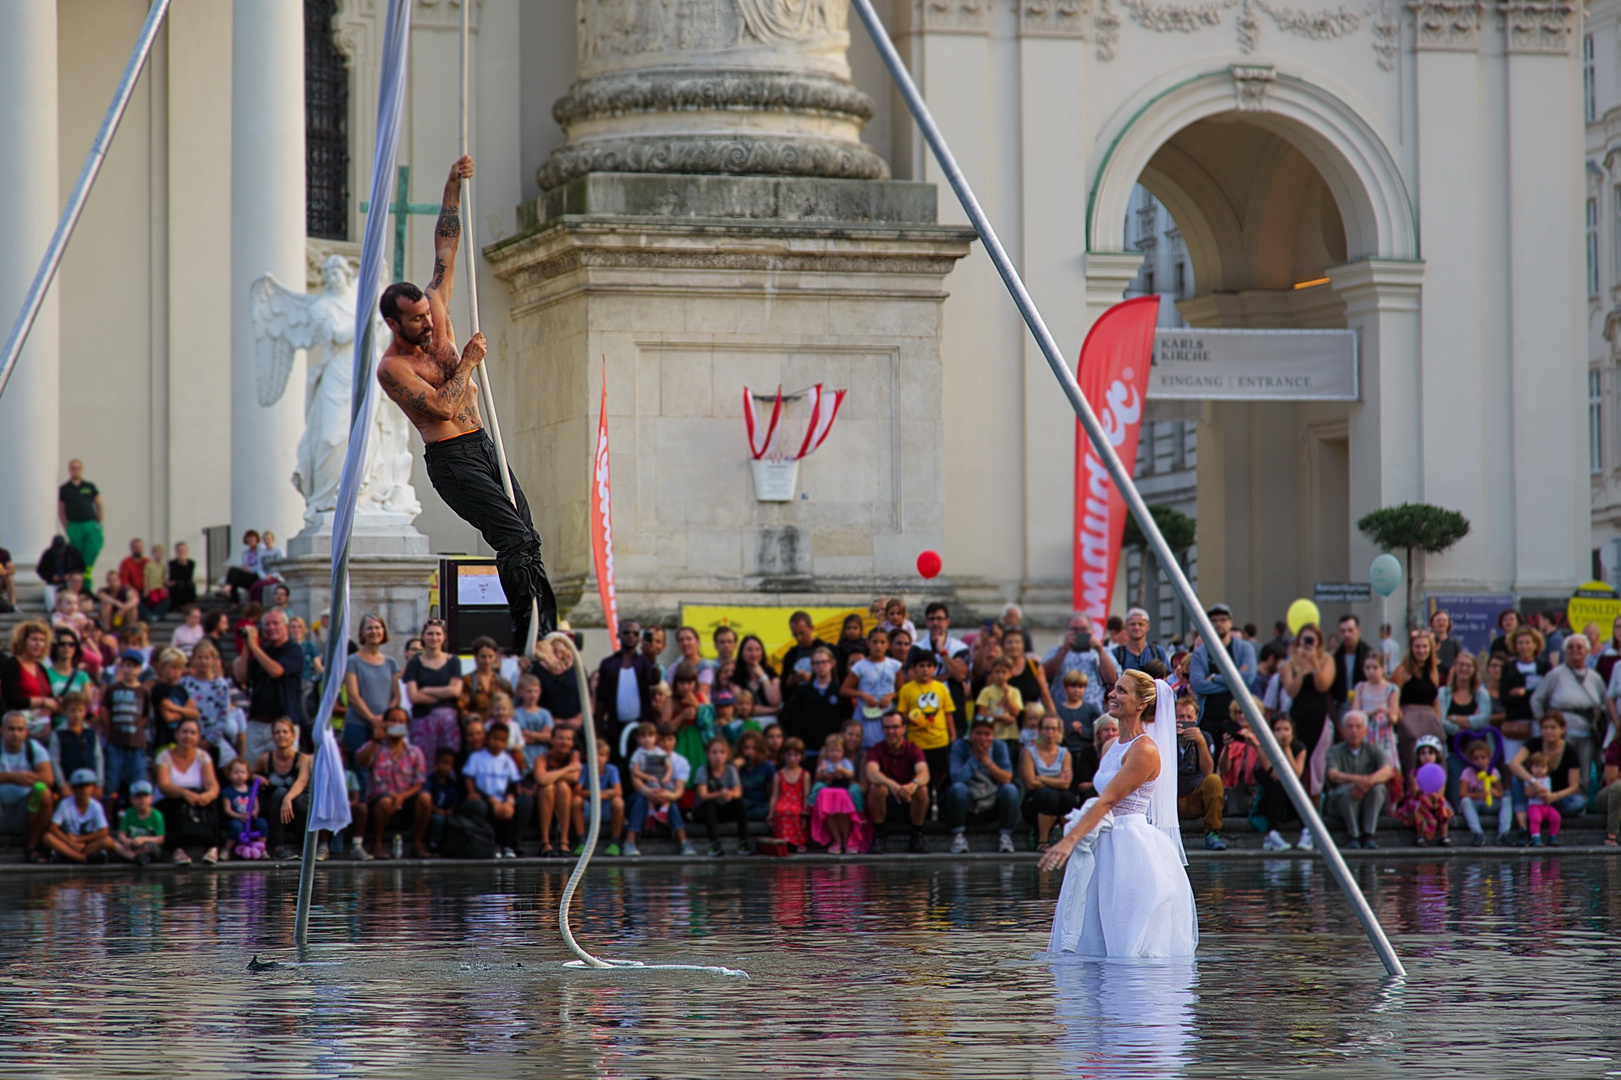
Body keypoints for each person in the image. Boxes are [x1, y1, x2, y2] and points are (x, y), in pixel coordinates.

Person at [375, 158, 556, 653]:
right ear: (395, 324)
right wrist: (470, 362)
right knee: (512, 542)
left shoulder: (435, 305)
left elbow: (446, 247)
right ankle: (530, 639)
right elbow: (437, 407)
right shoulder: (393, 369)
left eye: (426, 314)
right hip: (453, 462)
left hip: (482, 444)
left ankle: (549, 629)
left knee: (530, 537)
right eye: (415, 321)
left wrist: (453, 184)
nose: (429, 324)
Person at [1039, 670, 1196, 958]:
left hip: (1130, 848)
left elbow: (1109, 800)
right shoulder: (1111, 745)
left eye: (1122, 691)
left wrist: (1069, 839)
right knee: (1093, 932)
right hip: (1101, 843)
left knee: (1126, 938)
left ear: (1140, 705)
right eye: (1114, 689)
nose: (1113, 694)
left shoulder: (1145, 750)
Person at [1529, 632, 1605, 790]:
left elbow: (1604, 702)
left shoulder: (1595, 678)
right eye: (1570, 647)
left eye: (1579, 647)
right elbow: (1536, 700)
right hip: (1562, 734)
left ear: (1587, 651)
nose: (1575, 650)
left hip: (1587, 734)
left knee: (1584, 772)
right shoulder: (1555, 674)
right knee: (1562, 772)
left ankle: (1581, 806)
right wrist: (1545, 724)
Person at [234, 610, 305, 762]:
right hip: (258, 722)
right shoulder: (263, 650)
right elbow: (241, 676)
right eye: (267, 624)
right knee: (252, 770)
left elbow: (276, 671)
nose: (271, 627)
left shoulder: (293, 649)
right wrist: (247, 646)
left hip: (284, 723)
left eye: (275, 623)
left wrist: (255, 647)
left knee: (284, 771)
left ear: (286, 627)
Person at [357, 707, 427, 858]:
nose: (397, 724)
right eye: (393, 720)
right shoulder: (376, 747)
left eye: (401, 721)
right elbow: (360, 760)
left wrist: (403, 796)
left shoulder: (414, 752)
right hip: (379, 803)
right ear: (385, 723)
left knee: (425, 798)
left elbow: (420, 782)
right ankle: (376, 844)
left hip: (405, 801)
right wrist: (376, 739)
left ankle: (417, 844)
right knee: (385, 802)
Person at [944, 718, 1019, 854]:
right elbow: (956, 777)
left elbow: (1007, 777)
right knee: (957, 789)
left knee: (1010, 790)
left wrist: (986, 759)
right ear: (970, 735)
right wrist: (974, 758)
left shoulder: (999, 746)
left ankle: (1005, 836)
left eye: (987, 734)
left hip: (993, 797)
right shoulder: (960, 746)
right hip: (968, 799)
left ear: (993, 736)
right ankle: (958, 836)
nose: (982, 738)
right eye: (978, 733)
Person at [1187, 603, 1256, 751]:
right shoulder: (1200, 653)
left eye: (1223, 620)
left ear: (1230, 622)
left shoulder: (1244, 648)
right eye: (1214, 620)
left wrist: (1213, 678)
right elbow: (1198, 685)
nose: (1219, 624)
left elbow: (1248, 678)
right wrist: (1235, 678)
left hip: (1238, 719)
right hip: (1209, 719)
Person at [1322, 710, 1394, 849]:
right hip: (1340, 802)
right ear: (1343, 730)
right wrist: (1357, 780)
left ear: (1366, 730)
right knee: (1345, 791)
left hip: (1365, 798)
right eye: (1350, 727)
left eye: (1358, 726)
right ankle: (1353, 835)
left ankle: (1368, 834)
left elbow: (1387, 771)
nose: (1354, 731)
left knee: (1378, 788)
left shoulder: (1374, 749)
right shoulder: (1334, 751)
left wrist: (1367, 782)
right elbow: (1333, 774)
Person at [155, 717, 221, 864]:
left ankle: (212, 847)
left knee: (214, 802)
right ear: (176, 734)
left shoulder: (203, 756)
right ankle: (176, 850)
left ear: (198, 737)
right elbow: (164, 785)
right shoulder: (164, 756)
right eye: (184, 732)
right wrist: (185, 793)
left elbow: (213, 784)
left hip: (196, 798)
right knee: (173, 804)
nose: (188, 736)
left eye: (193, 733)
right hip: (172, 798)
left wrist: (207, 795)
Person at [1506, 714, 1586, 835]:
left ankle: (1547, 813)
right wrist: (1533, 782)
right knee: (1516, 777)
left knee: (1578, 802)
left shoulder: (1570, 751)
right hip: (1532, 794)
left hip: (1555, 797)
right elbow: (1513, 764)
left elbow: (1574, 787)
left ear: (1562, 729)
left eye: (1553, 728)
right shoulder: (1533, 743)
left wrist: (1554, 796)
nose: (1549, 731)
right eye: (1545, 728)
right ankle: (1523, 824)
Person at [1279, 622, 1335, 794]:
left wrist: (1314, 663)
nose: (1309, 643)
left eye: (1313, 640)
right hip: (1297, 717)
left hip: (1319, 717)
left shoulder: (1327, 660)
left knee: (1317, 765)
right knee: (1297, 760)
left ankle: (1315, 806)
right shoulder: (1289, 664)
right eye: (1306, 639)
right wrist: (1303, 668)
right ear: (1299, 641)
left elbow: (1323, 686)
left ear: (1319, 642)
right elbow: (1292, 692)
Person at [864, 711, 931, 853]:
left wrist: (913, 784)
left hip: (909, 800)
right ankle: (879, 835)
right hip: (887, 803)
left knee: (922, 788)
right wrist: (892, 785)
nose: (891, 731)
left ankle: (916, 835)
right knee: (877, 788)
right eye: (887, 728)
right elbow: (871, 772)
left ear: (903, 728)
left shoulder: (913, 748)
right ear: (882, 729)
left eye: (895, 727)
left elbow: (924, 772)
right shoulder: (876, 749)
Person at [624, 725, 695, 857]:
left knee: (668, 798)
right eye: (663, 740)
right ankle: (629, 841)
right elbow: (635, 780)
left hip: (665, 797)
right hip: (642, 794)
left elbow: (679, 790)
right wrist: (647, 791)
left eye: (670, 739)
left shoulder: (681, 762)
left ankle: (684, 841)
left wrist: (667, 795)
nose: (666, 743)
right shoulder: (641, 754)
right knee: (642, 797)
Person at [898, 647, 955, 803]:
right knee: (921, 778)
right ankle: (925, 812)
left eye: (929, 666)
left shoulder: (941, 688)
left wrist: (953, 735)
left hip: (940, 740)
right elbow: (901, 714)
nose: (925, 669)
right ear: (914, 668)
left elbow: (948, 712)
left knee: (941, 776)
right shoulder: (906, 689)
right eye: (921, 666)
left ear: (934, 668)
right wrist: (910, 718)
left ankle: (943, 808)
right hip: (917, 743)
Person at [462, 721, 526, 859]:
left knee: (508, 812)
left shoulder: (507, 760)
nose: (498, 743)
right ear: (488, 738)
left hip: (502, 799)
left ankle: (508, 846)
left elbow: (513, 782)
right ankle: (494, 845)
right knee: (490, 811)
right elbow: (468, 777)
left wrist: (509, 801)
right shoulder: (477, 757)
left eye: (502, 740)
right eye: (495, 738)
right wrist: (473, 793)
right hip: (485, 797)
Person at [1172, 695, 1226, 851]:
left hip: (1196, 797)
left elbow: (1208, 771)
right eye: (1180, 716)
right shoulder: (1164, 737)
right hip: (1171, 799)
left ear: (1196, 718)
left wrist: (1200, 742)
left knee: (1214, 780)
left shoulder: (1205, 737)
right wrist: (1170, 737)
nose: (1185, 720)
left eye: (1189, 716)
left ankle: (1212, 834)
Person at [404, 619, 463, 761]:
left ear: (444, 637)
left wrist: (426, 689)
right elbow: (413, 697)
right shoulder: (414, 663)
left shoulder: (454, 661)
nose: (434, 638)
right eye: (430, 634)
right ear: (423, 636)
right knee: (422, 763)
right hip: (421, 720)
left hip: (448, 723)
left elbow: (456, 692)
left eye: (438, 634)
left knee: (448, 764)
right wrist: (445, 694)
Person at [343, 614, 400, 758]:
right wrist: (373, 719)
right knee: (360, 770)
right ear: (362, 633)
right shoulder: (353, 661)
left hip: (386, 726)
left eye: (377, 628)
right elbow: (353, 696)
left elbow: (397, 696)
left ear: (383, 631)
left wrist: (384, 719)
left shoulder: (391, 663)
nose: (374, 632)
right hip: (358, 725)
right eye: (369, 628)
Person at [595, 620, 657, 755]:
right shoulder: (608, 664)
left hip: (642, 726)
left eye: (635, 633)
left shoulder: (644, 662)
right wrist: (598, 730)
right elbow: (601, 699)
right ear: (618, 635)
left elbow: (655, 680)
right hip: (615, 726)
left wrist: (653, 661)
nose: (631, 636)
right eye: (626, 632)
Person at [0, 710, 55, 861]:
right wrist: (14, 778)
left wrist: (29, 778)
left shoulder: (34, 748)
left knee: (44, 793)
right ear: (2, 730)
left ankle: (32, 847)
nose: (15, 734)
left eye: (20, 729)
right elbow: (17, 778)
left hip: (24, 810)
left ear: (26, 732)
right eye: (11, 729)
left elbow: (48, 778)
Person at [101, 651, 151, 815]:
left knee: (138, 785)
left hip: (136, 744)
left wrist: (135, 730)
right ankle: (107, 821)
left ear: (140, 669)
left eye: (135, 667)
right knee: (111, 785)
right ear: (121, 667)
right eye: (127, 666)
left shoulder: (143, 691)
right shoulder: (113, 689)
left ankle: (135, 821)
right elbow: (104, 710)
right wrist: (109, 732)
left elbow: (144, 716)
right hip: (115, 743)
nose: (130, 670)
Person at [1020, 713, 1077, 852]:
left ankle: (1066, 840)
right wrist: (1057, 778)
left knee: (1068, 797)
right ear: (1039, 731)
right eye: (1046, 728)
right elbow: (1030, 783)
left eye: (1053, 728)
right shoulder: (1029, 752)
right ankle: (1043, 840)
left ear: (1058, 731)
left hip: (1058, 800)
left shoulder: (1064, 754)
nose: (1050, 732)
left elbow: (1066, 784)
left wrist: (1042, 778)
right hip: (1035, 802)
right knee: (1049, 797)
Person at [256, 717, 311, 860]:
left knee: (298, 798)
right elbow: (247, 773)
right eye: (277, 732)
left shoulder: (303, 759)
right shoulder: (265, 759)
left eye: (285, 732)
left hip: (294, 808)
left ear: (293, 735)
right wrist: (255, 778)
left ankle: (306, 846)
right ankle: (277, 847)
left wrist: (288, 798)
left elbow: (302, 781)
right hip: (273, 807)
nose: (281, 735)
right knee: (279, 792)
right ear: (273, 737)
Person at [1044, 612, 1118, 714]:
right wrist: (1065, 650)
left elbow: (1112, 679)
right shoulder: (1056, 651)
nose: (1079, 633)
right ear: (1067, 631)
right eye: (1074, 630)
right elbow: (1044, 675)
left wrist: (1100, 651)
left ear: (1091, 631)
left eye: (1083, 629)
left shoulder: (1104, 651)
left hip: (1094, 713)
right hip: (1061, 713)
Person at [1255, 715, 1308, 851]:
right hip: (1269, 797)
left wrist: (1287, 749)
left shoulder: (1299, 748)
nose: (1282, 733)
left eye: (1286, 729)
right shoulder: (1263, 747)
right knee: (1282, 783)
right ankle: (1271, 833)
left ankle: (1306, 831)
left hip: (1290, 800)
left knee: (1294, 786)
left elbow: (1296, 774)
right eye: (1278, 730)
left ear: (1292, 731)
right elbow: (1274, 774)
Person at [810, 731, 869, 854]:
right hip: (829, 790)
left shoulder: (845, 762)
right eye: (831, 751)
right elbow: (818, 775)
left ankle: (849, 835)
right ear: (827, 751)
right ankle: (837, 839)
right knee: (820, 791)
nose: (834, 754)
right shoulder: (825, 763)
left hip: (842, 790)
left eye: (838, 751)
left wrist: (841, 771)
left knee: (844, 808)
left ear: (843, 752)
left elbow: (850, 774)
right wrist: (825, 775)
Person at [42, 768, 115, 863]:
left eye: (87, 786)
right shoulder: (65, 804)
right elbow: (53, 828)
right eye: (79, 787)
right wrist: (70, 842)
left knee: (108, 841)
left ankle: (68, 856)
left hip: (86, 844)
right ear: (73, 789)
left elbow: (104, 832)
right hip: (69, 842)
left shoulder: (96, 806)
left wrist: (79, 840)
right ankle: (84, 858)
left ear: (93, 788)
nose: (83, 790)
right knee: (47, 838)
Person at [1497, 625, 1548, 762]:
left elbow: (1547, 696)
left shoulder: (1545, 667)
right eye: (1520, 643)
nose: (1524, 646)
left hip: (1538, 723)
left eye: (1527, 642)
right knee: (1513, 764)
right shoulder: (1508, 668)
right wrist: (1533, 694)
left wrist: (1521, 693)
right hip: (1515, 725)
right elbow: (1504, 700)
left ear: (1535, 644)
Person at [842, 626, 899, 747]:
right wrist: (863, 695)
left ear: (887, 644)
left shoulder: (894, 665)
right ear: (868, 644)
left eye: (882, 642)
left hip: (888, 716)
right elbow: (844, 690)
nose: (878, 646)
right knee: (868, 750)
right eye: (875, 642)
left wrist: (891, 696)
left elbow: (902, 691)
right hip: (866, 715)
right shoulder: (860, 666)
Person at [693, 735, 748, 856]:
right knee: (709, 804)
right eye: (714, 752)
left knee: (740, 803)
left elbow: (738, 792)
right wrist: (720, 794)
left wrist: (729, 794)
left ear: (727, 755)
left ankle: (743, 842)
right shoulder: (702, 770)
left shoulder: (730, 769)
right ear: (707, 754)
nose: (718, 756)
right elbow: (703, 795)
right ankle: (714, 843)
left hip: (723, 809)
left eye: (722, 752)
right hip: (704, 811)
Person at [779, 646, 843, 751]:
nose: (820, 666)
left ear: (832, 664)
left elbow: (846, 717)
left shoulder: (839, 691)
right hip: (808, 749)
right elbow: (789, 718)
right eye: (816, 663)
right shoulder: (802, 692)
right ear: (812, 666)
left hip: (834, 751)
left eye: (824, 662)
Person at [1352, 653, 1401, 785]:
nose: (1371, 671)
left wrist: (1390, 715)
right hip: (1366, 734)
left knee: (1388, 773)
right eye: (1367, 668)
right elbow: (1355, 713)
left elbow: (1394, 716)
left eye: (1375, 667)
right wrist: (1372, 712)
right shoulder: (1360, 687)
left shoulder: (1391, 688)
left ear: (1382, 668)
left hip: (1384, 734)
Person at [1395, 734, 1452, 846]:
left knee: (1443, 803)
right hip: (1418, 799)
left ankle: (1444, 836)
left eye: (1430, 753)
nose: (1427, 756)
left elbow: (1441, 791)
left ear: (1437, 755)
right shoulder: (1414, 773)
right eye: (1423, 753)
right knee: (1420, 803)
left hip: (1434, 799)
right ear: (1418, 756)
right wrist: (1424, 791)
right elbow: (1415, 792)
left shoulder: (1441, 773)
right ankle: (1420, 835)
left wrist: (1435, 796)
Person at [534, 725, 583, 857]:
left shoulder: (574, 755)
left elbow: (574, 777)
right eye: (560, 738)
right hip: (543, 798)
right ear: (552, 740)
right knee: (548, 787)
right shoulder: (542, 758)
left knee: (563, 786)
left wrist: (551, 776)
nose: (564, 742)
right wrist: (567, 769)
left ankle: (564, 839)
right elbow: (541, 779)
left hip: (566, 798)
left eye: (568, 739)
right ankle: (544, 840)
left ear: (572, 742)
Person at [573, 737, 624, 856]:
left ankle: (614, 843)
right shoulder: (585, 768)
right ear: (587, 756)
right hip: (589, 809)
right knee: (575, 801)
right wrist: (601, 794)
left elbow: (618, 791)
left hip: (605, 810)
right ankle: (582, 842)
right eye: (594, 754)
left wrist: (595, 795)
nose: (597, 758)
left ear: (607, 758)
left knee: (618, 802)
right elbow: (577, 791)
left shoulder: (612, 769)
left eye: (601, 754)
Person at [2, 621, 57, 734]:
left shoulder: (41, 668)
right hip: (17, 729)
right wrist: (43, 702)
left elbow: (49, 696)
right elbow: (11, 700)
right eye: (34, 639)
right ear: (23, 641)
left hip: (42, 728)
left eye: (42, 640)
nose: (38, 644)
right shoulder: (11, 665)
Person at [1456, 737, 1512, 845]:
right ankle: (1477, 833)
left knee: (1507, 799)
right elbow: (1461, 794)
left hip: (1489, 804)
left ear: (1489, 759)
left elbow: (1501, 792)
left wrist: (1495, 793)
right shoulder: (1467, 772)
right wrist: (1478, 794)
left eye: (1483, 757)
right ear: (1470, 760)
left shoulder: (1493, 771)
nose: (1479, 761)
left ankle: (1503, 834)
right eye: (1475, 758)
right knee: (1465, 801)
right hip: (1475, 805)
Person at [48, 691, 102, 799]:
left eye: (80, 710)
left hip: (90, 783)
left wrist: (99, 784)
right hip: (69, 784)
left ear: (85, 711)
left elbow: (98, 758)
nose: (77, 715)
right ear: (65, 711)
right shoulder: (58, 734)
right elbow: (55, 761)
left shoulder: (91, 733)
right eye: (72, 711)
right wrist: (61, 784)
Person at [58, 459, 104, 585]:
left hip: (90, 523)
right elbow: (61, 510)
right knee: (77, 553)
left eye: (78, 468)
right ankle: (82, 581)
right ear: (69, 470)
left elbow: (99, 504)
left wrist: (99, 523)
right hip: (74, 524)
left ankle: (86, 571)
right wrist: (66, 527)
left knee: (94, 548)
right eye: (73, 468)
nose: (75, 470)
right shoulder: (64, 489)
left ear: (81, 470)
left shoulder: (89, 486)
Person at [414, 747, 463, 856]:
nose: (446, 767)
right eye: (444, 763)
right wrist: (437, 810)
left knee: (453, 822)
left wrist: (450, 811)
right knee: (438, 820)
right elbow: (426, 797)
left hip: (446, 813)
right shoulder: (430, 780)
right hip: (432, 813)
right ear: (436, 762)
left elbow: (455, 801)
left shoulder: (452, 784)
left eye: (450, 764)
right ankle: (432, 846)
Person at [149, 648, 199, 752]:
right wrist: (186, 711)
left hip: (181, 741)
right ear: (162, 667)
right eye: (173, 668)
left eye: (180, 669)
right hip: (165, 740)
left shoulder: (181, 689)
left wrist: (173, 707)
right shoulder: (159, 688)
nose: (177, 672)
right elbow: (168, 717)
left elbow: (195, 714)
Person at [768, 736, 812, 852]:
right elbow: (774, 795)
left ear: (801, 756)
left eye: (796, 755)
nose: (792, 758)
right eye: (789, 755)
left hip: (797, 802)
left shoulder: (804, 774)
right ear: (783, 756)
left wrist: (805, 811)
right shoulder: (779, 775)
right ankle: (783, 840)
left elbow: (806, 795)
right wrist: (771, 813)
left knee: (795, 811)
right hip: (783, 801)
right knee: (781, 810)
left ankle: (799, 842)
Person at [219, 758, 268, 857]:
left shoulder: (251, 790)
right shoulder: (227, 791)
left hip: (250, 819)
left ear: (247, 774)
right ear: (229, 774)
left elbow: (256, 806)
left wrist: (254, 812)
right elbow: (227, 809)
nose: (239, 775)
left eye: (242, 772)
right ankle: (226, 850)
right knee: (237, 826)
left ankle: (262, 849)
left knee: (262, 823)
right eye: (236, 772)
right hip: (234, 819)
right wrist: (239, 816)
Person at [730, 634, 782, 728]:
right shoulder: (735, 678)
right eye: (749, 650)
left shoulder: (772, 674)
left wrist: (763, 676)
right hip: (746, 724)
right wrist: (773, 710)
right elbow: (743, 707)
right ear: (742, 653)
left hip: (771, 725)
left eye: (757, 649)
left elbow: (775, 701)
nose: (754, 654)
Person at [1330, 615, 1374, 716]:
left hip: (1366, 709)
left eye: (1350, 630)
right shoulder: (1335, 658)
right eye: (1343, 631)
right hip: (1342, 710)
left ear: (1359, 630)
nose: (1347, 635)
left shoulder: (1369, 655)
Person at [459, 635, 513, 719]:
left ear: (495, 656)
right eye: (483, 657)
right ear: (476, 656)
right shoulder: (468, 680)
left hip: (498, 729)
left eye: (490, 656)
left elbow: (511, 707)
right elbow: (462, 708)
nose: (487, 661)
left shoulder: (503, 682)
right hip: (476, 728)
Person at [114, 780, 166, 864]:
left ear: (151, 798)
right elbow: (121, 834)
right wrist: (126, 841)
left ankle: (134, 856)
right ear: (131, 799)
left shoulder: (157, 815)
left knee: (151, 848)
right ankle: (135, 857)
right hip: (132, 845)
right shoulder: (128, 813)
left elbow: (160, 839)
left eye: (145, 796)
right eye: (138, 796)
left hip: (148, 846)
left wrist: (143, 839)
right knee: (114, 843)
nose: (142, 799)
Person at [780, 611, 835, 691]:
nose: (799, 638)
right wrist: (789, 682)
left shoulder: (828, 650)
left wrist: (811, 678)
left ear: (811, 628)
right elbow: (783, 687)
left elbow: (837, 679)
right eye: (795, 635)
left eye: (802, 633)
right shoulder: (790, 656)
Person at [1521, 752, 1562, 846]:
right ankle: (1535, 838)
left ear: (1547, 768)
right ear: (1530, 767)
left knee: (1556, 817)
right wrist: (1536, 791)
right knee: (1535, 818)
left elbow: (1548, 792)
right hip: (1534, 806)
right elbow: (1527, 792)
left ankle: (1552, 836)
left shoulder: (1547, 779)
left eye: (1542, 767)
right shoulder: (1529, 779)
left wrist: (1546, 794)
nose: (1539, 770)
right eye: (1536, 766)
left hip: (1546, 806)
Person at [1112, 607, 1168, 673]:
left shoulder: (1158, 652)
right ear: (1126, 627)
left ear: (1148, 627)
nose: (1136, 627)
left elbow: (1168, 677)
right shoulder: (1116, 654)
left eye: (1141, 624)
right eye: (1132, 624)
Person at [1429, 609, 1464, 677]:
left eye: (1444, 621)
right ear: (1432, 623)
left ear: (1448, 623)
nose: (1441, 623)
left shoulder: (1454, 643)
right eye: (1438, 621)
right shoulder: (1427, 644)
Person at [165, 542, 197, 609]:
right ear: (176, 552)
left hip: (187, 584)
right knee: (180, 583)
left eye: (183, 550)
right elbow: (174, 576)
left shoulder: (191, 563)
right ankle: (178, 606)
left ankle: (189, 605)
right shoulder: (172, 563)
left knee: (190, 584)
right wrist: (180, 564)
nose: (181, 552)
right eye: (179, 550)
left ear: (186, 551)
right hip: (176, 585)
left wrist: (184, 564)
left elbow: (189, 576)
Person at [0, 534, 14, 612]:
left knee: (9, 577)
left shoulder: (4, 553)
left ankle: (13, 604)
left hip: (1, 581)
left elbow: (12, 569)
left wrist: (5, 571)